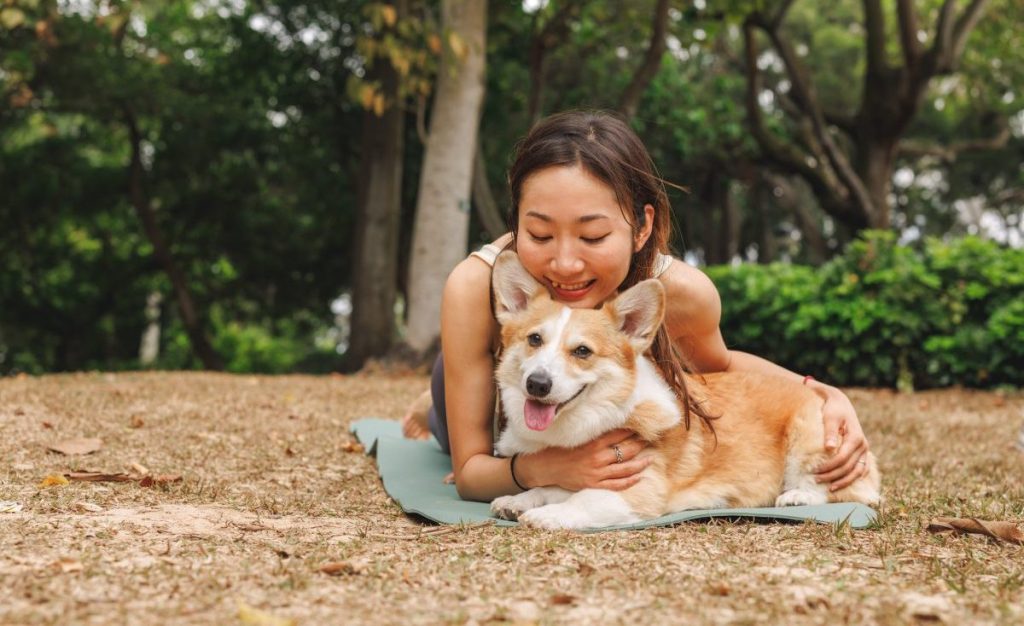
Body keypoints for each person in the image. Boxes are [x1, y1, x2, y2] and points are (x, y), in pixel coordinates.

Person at [401, 110, 871, 503]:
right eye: (540, 234)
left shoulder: (681, 292)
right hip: (496, 395)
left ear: (641, 228)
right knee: (454, 424)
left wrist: (826, 394)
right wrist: (550, 468)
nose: (565, 263)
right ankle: (433, 406)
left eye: (593, 236)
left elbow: (722, 365)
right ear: (516, 222)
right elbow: (472, 475)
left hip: (576, 399)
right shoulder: (473, 284)